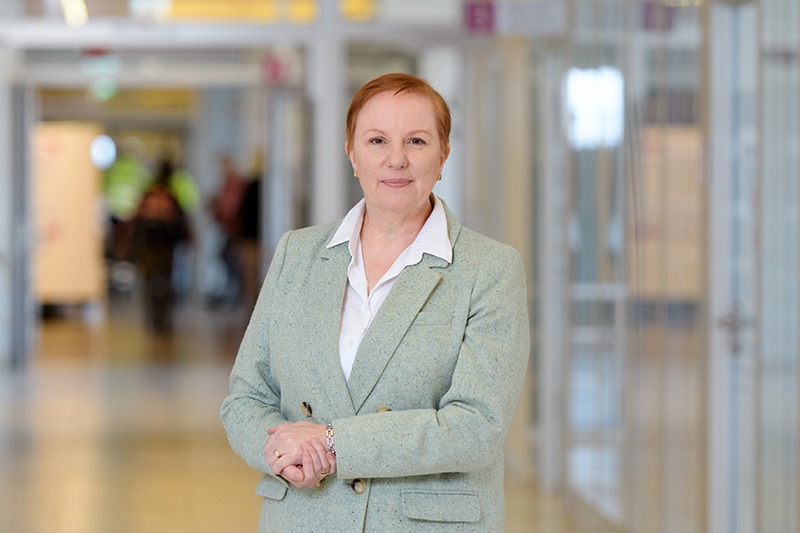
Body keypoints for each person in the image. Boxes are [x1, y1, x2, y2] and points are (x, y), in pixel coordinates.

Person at [220, 73, 530, 532]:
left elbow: (475, 427)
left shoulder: (488, 270)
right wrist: (280, 452)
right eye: (377, 140)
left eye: (417, 141)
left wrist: (332, 441)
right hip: (304, 518)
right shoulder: (297, 254)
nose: (396, 159)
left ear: (444, 155)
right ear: (352, 152)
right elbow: (247, 396)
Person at [130, 159, 191, 332]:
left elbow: (137, 220)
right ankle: (160, 312)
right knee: (163, 279)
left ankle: (155, 312)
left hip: (152, 244)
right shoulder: (171, 195)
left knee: (152, 280)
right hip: (163, 244)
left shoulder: (150, 194)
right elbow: (182, 221)